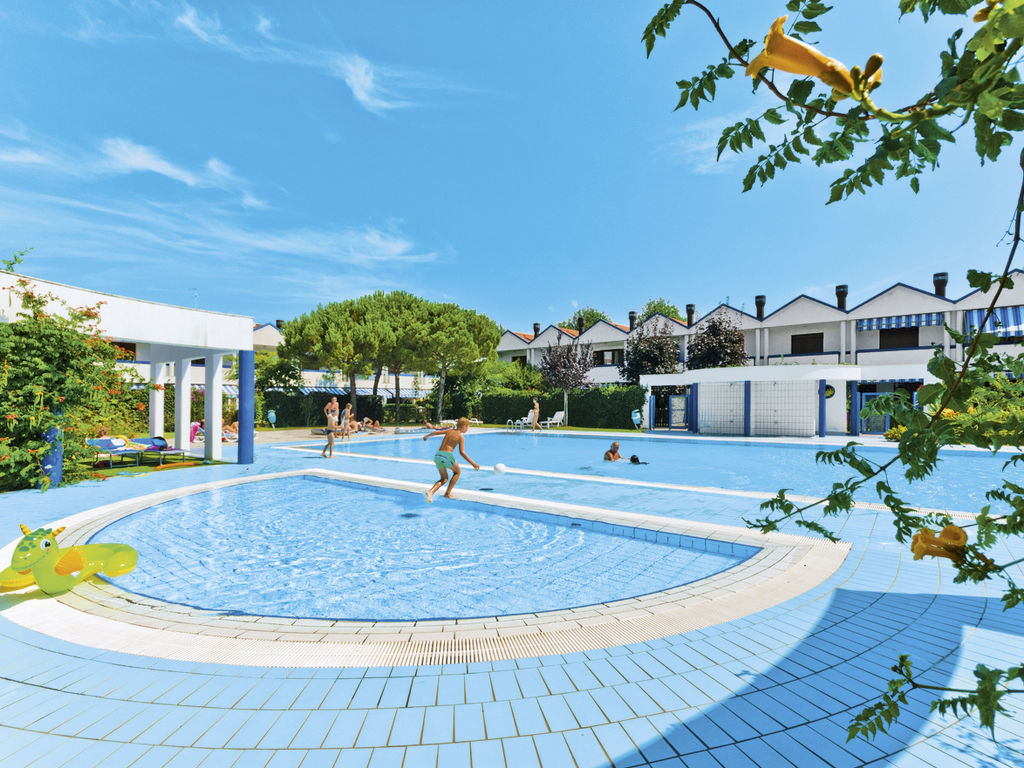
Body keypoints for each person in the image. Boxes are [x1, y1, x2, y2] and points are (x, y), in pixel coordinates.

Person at [422, 417, 480, 500]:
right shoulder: (460, 436)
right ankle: (447, 493)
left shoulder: (449, 431)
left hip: (438, 456)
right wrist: (473, 463)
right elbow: (462, 452)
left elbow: (436, 432)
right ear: (464, 426)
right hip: (446, 455)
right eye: (468, 427)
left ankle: (430, 492)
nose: (468, 429)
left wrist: (426, 436)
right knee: (457, 472)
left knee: (444, 479)